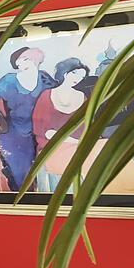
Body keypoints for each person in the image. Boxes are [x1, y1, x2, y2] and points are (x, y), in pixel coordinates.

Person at [0, 46, 56, 192]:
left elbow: (59, 94)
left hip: (41, 135)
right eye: (18, 62)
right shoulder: (9, 80)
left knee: (44, 179)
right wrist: (2, 122)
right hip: (15, 137)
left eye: (25, 59)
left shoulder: (45, 78)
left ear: (36, 59)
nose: (21, 64)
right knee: (21, 183)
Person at [31, 57, 89, 192]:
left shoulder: (83, 97)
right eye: (75, 73)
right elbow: (40, 129)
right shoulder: (46, 95)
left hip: (75, 147)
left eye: (81, 77)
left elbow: (87, 128)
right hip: (50, 148)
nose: (77, 78)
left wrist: (70, 140)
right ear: (65, 72)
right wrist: (57, 137)